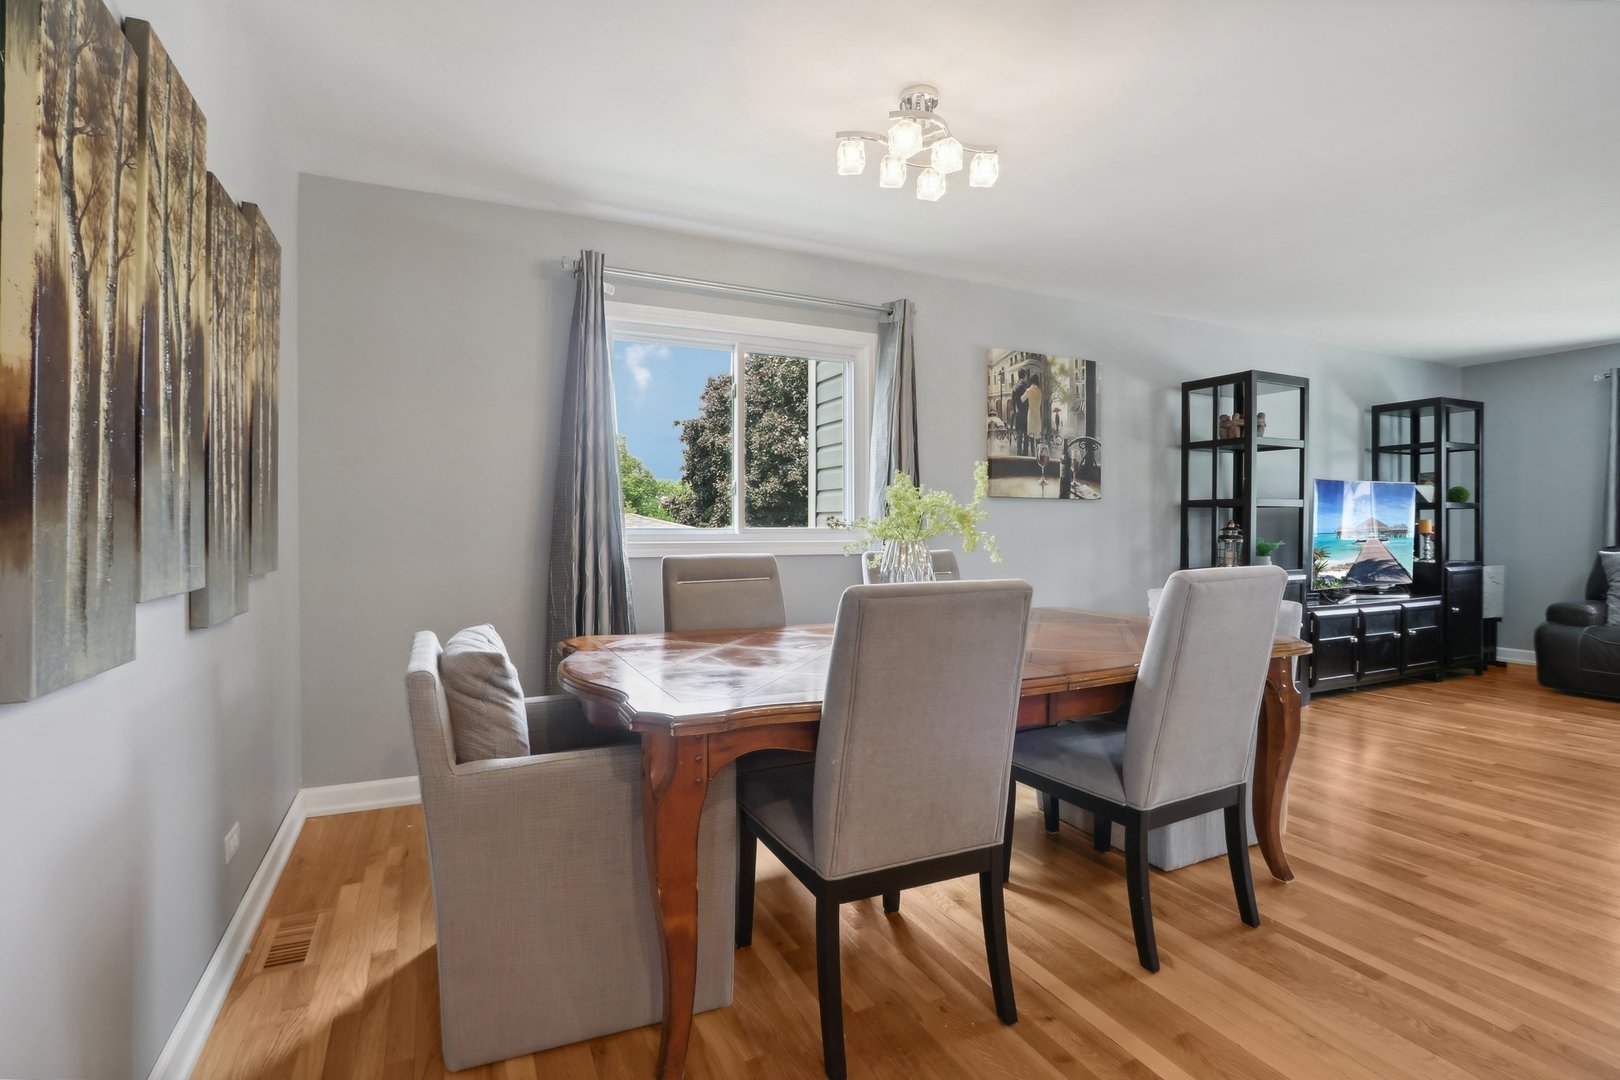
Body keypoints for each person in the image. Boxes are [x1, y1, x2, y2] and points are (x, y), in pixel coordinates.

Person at [1024, 372, 1044, 457]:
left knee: (1031, 436)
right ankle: (1038, 455)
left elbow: (1022, 399)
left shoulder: (1028, 390)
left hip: (1031, 415)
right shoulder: (1039, 391)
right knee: (1037, 436)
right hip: (1038, 416)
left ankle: (1032, 454)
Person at [1011, 370, 1030, 456]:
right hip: (1025, 414)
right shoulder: (1026, 386)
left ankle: (1018, 454)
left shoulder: (1014, 387)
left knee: (1019, 435)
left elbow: (1012, 404)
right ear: (1024, 375)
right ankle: (1025, 454)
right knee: (1025, 435)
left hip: (1018, 414)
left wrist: (1014, 414)